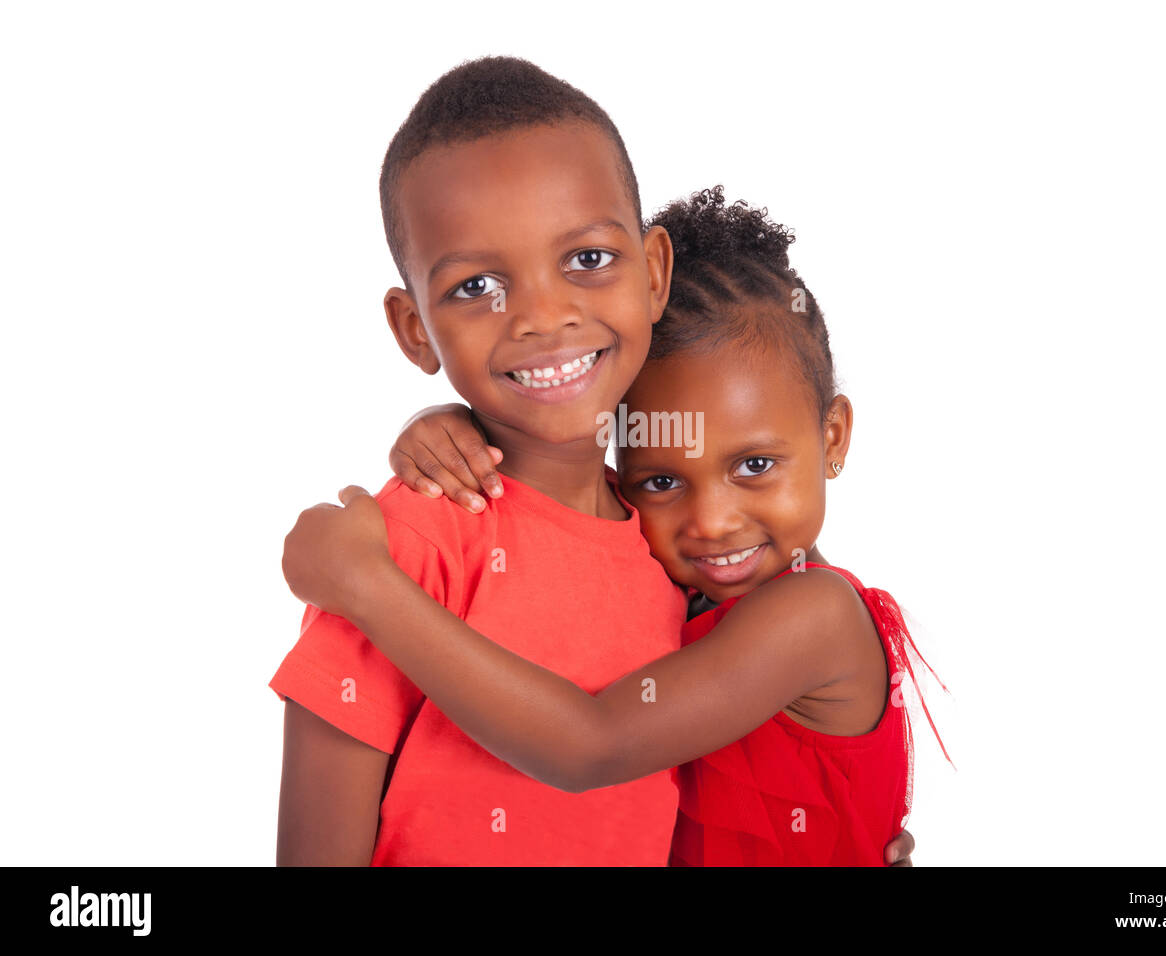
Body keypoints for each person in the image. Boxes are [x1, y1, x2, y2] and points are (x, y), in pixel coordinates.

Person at [282, 187, 946, 865]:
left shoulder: (815, 614)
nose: (711, 523)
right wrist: (453, 429)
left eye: (754, 465)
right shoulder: (668, 580)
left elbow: (591, 745)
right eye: (660, 481)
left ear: (833, 437)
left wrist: (367, 586)